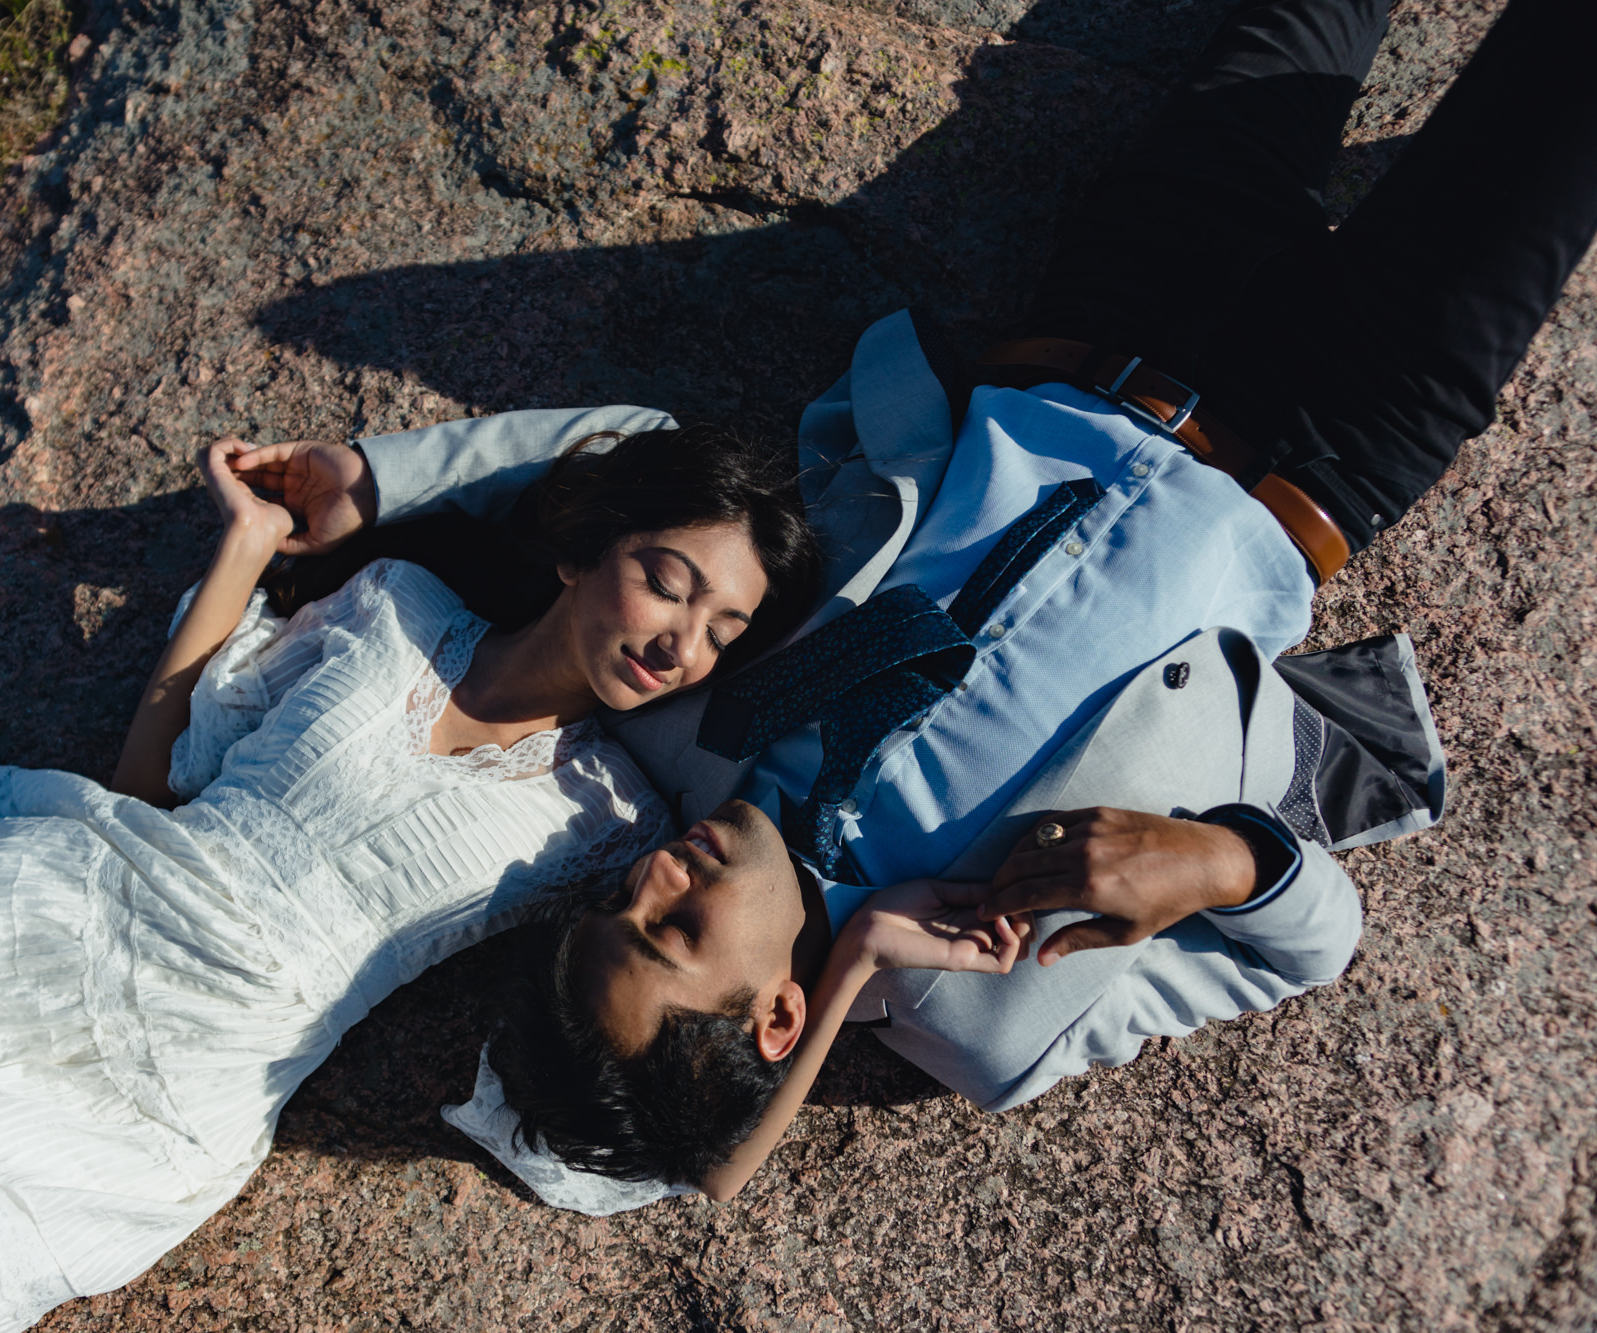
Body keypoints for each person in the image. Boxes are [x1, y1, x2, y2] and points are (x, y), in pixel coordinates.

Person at [257, 0, 1588, 1210]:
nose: (655, 876)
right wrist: (1226, 862)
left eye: (617, 907)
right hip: (1336, 439)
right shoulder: (989, 1012)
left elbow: (627, 466)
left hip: (1117, 307)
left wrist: (377, 481)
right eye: (672, 933)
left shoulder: (673, 728)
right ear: (778, 1019)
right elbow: (1307, 949)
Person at [0, 423, 819, 1331]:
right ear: (579, 554)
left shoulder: (617, 831)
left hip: (197, 1070)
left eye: (723, 629)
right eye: (669, 579)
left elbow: (682, 1147)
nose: (681, 643)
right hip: (65, 906)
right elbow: (153, 780)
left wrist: (861, 958)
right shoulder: (396, 603)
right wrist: (242, 553)